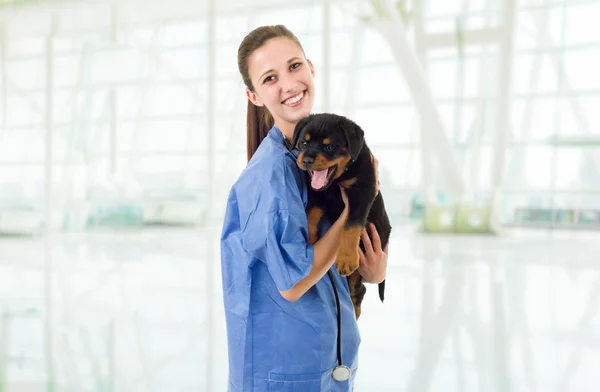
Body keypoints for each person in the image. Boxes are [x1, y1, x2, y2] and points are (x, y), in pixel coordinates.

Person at [220, 25, 388, 392]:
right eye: (270, 78)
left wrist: (370, 272)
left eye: (295, 66)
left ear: (311, 68)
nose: (289, 84)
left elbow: (328, 262)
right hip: (286, 375)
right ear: (254, 95)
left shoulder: (319, 165)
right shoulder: (271, 175)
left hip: (324, 365)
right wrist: (353, 213)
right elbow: (294, 283)